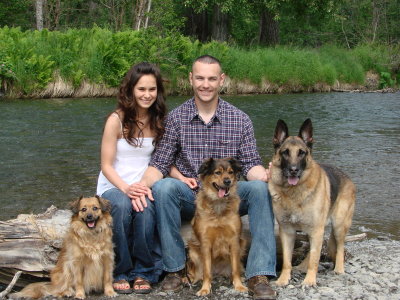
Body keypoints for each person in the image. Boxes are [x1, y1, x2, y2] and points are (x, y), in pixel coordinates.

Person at [135, 55, 277, 300]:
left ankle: (259, 274)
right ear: (191, 79)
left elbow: (251, 164)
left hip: (230, 197)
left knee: (259, 189)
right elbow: (159, 164)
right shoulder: (176, 119)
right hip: (191, 197)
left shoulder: (240, 119)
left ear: (221, 80)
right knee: (164, 187)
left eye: (212, 78)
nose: (205, 84)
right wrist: (139, 186)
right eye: (200, 78)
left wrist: (265, 175)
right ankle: (175, 270)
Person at [97, 62, 181, 294]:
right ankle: (121, 271)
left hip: (144, 183)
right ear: (131, 90)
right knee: (123, 206)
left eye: (151, 89)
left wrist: (181, 177)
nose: (147, 95)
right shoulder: (117, 120)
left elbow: (163, 159)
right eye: (141, 89)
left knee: (145, 209)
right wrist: (126, 189)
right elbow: (106, 165)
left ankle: (144, 272)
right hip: (115, 184)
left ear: (158, 91)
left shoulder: (159, 120)